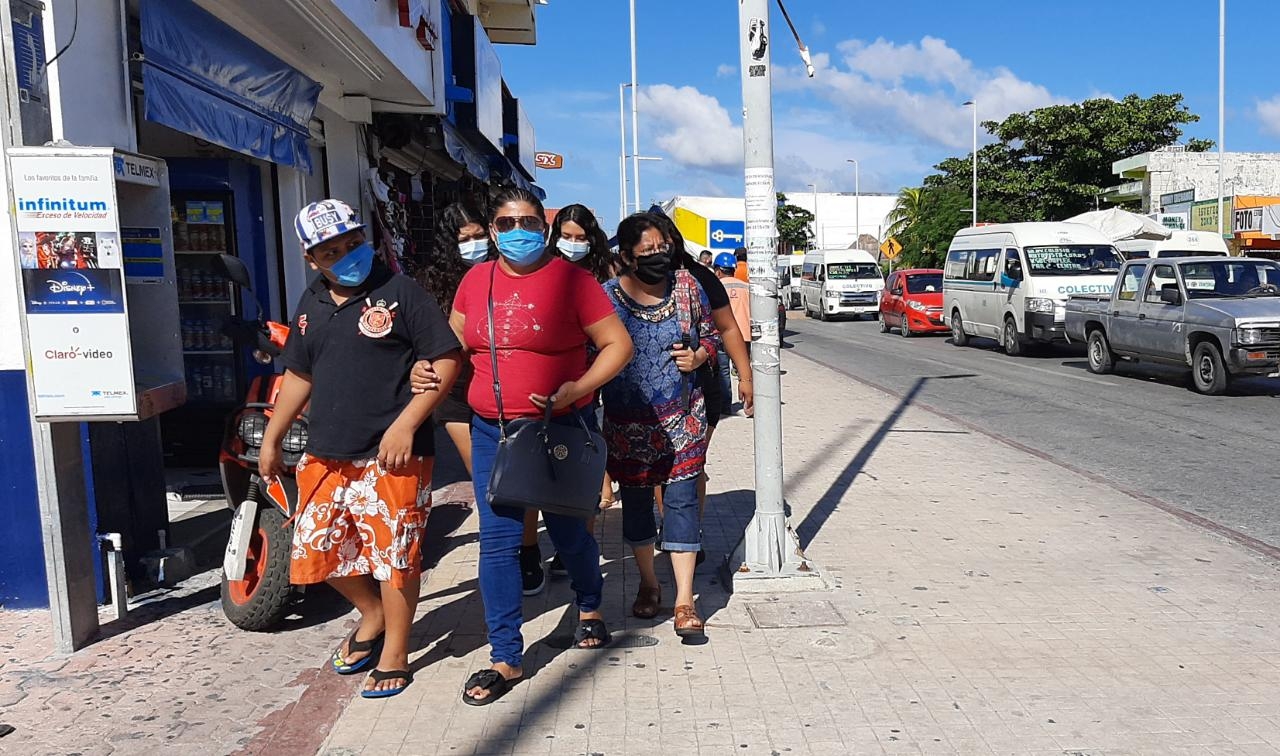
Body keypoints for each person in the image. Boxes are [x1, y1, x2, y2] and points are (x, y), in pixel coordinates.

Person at [259, 199, 462, 699]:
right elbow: (299, 373)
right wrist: (273, 436)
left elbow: (447, 360)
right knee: (316, 548)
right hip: (327, 453)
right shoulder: (311, 301)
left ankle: (396, 649)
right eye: (332, 251)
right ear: (312, 258)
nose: (348, 256)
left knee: (396, 556)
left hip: (393, 455)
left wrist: (406, 425)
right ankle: (371, 613)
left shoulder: (401, 293)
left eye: (353, 244)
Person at [450, 188, 633, 705]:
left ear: (544, 227)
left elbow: (619, 345)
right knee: (498, 541)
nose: (517, 232)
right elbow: (455, 343)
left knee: (569, 531)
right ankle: (505, 657)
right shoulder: (474, 280)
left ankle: (591, 606)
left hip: (558, 431)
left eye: (527, 222)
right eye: (506, 224)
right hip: (493, 430)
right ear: (491, 230)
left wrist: (578, 389)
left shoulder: (573, 282)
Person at [604, 213, 716, 637]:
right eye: (646, 251)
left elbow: (711, 335)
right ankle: (650, 584)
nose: (657, 256)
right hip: (626, 425)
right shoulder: (607, 297)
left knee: (682, 504)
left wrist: (700, 356)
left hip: (684, 419)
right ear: (628, 256)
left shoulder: (687, 286)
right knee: (636, 510)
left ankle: (685, 600)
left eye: (661, 248)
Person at [713, 252, 751, 416]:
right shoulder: (746, 287)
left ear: (718, 270)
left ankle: (725, 407)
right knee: (745, 371)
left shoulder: (717, 288)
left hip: (723, 335)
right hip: (745, 335)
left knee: (723, 371)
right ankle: (749, 406)